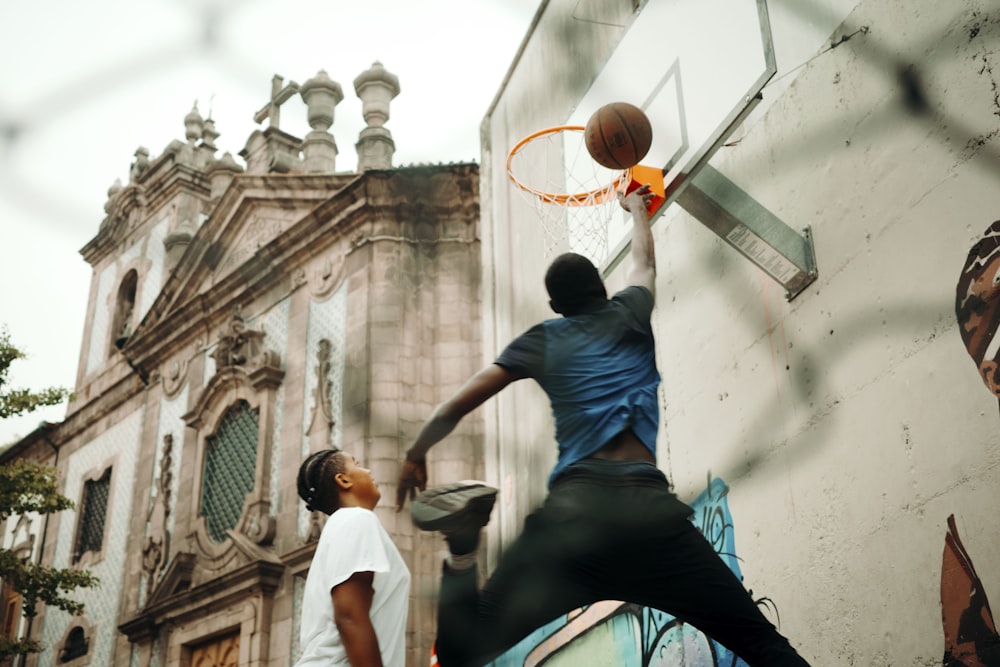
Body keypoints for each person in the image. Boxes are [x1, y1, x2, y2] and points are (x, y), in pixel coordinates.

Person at [396, 184, 811, 666]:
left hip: (575, 521)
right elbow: (644, 264)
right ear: (602, 286)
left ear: (556, 307)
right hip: (650, 521)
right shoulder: (631, 312)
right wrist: (637, 209)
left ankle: (464, 548)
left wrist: (415, 452)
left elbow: (453, 406)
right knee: (762, 644)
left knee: (460, 651)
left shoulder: (543, 339)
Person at [296, 448, 411, 667]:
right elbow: (349, 615)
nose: (367, 470)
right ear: (343, 480)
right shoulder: (356, 519)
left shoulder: (343, 525)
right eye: (357, 464)